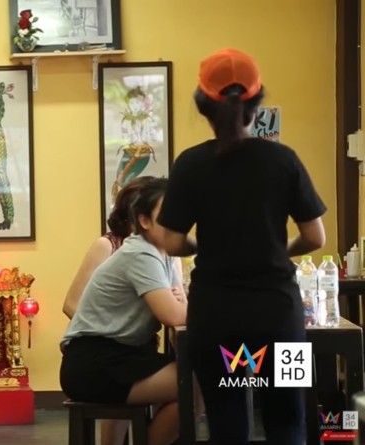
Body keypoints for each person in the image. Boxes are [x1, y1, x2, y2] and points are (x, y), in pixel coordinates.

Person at [157, 49, 326, 444]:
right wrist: (274, 250)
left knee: (226, 421)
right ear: (256, 104)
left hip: (216, 317)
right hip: (278, 314)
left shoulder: (190, 164)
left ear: (203, 106)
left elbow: (172, 241)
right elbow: (315, 237)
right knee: (288, 420)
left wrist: (209, 246)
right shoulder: (283, 160)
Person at [59, 178, 194, 445]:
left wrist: (181, 304)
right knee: (197, 380)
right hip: (97, 362)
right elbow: (174, 315)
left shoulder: (163, 253)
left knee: (199, 377)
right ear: (144, 221)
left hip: (123, 354)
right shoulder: (140, 254)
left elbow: (180, 307)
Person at [62, 176, 161, 319]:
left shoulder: (161, 248)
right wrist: (103, 330)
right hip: (103, 332)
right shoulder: (107, 245)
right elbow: (71, 304)